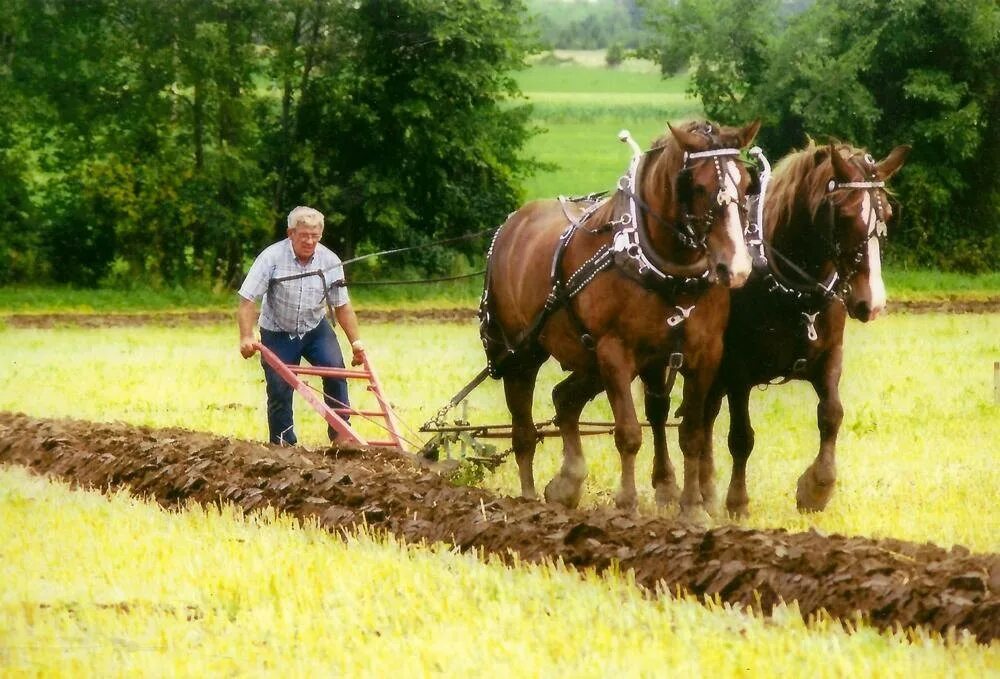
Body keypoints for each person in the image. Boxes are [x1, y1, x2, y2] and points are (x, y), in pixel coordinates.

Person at [237, 205, 364, 445]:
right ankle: (283, 442)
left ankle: (342, 436)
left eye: (315, 236)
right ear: (291, 233)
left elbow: (342, 306)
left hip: (314, 328)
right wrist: (246, 336)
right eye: (304, 235)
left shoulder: (330, 260)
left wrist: (356, 344)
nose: (309, 241)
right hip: (277, 331)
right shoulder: (271, 258)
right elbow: (247, 299)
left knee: (335, 371)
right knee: (279, 387)